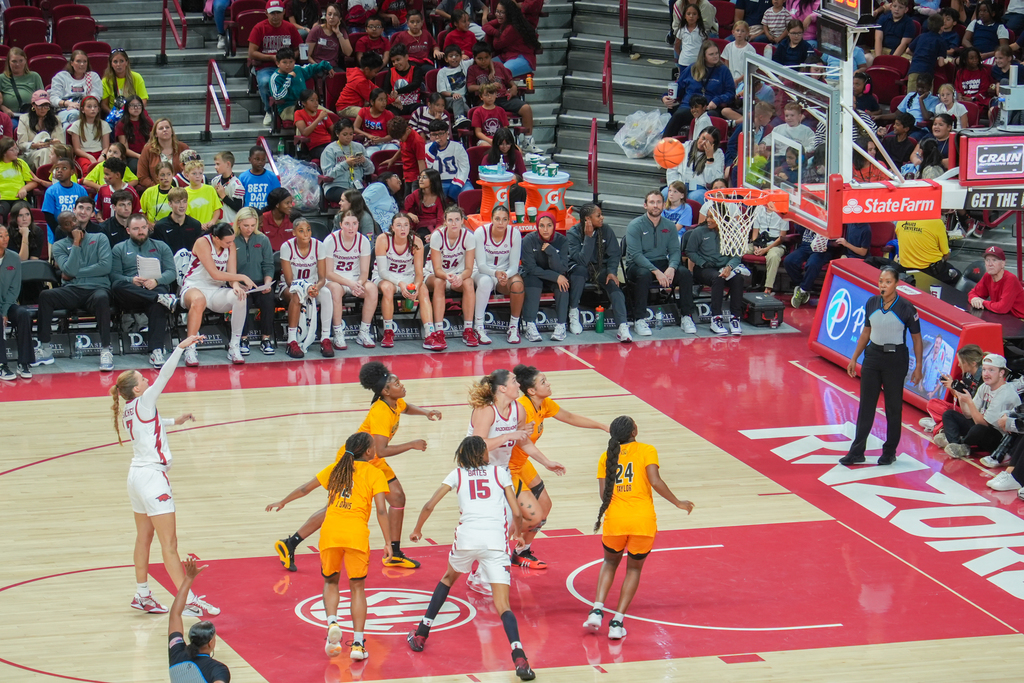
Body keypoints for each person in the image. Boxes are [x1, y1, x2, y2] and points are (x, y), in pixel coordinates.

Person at [273, 360, 441, 572]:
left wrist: (425, 412)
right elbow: (381, 450)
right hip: (354, 459)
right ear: (385, 391)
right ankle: (290, 543)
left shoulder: (394, 402)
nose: (402, 385)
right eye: (397, 383)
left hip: (372, 457)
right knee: (335, 508)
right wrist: (412, 445)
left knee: (397, 497)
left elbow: (406, 408)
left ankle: (395, 553)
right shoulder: (380, 411)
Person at [406, 436, 536, 681]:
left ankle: (421, 633)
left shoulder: (457, 474)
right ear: (481, 454)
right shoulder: (499, 473)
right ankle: (520, 658)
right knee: (503, 606)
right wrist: (518, 534)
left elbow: (428, 505)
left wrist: (417, 529)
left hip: (466, 539)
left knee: (447, 579)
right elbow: (516, 511)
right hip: (495, 542)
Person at [109, 334, 221, 617]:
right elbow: (165, 376)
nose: (147, 380)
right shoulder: (145, 399)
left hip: (135, 476)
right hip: (152, 479)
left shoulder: (129, 410)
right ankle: (188, 599)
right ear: (136, 390)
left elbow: (151, 426)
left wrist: (175, 420)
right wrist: (180, 349)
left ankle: (143, 594)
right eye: (142, 380)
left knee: (143, 538)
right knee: (169, 544)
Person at [266, 432, 392, 660]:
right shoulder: (375, 473)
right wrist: (388, 542)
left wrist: (283, 501)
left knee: (331, 582)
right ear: (369, 451)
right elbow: (382, 510)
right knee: (357, 588)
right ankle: (357, 644)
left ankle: (332, 622)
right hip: (356, 536)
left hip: (331, 534)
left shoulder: (336, 468)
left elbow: (305, 488)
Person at [584, 415, 694, 640]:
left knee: (609, 563)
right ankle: (617, 622)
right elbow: (655, 481)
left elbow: (603, 493)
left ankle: (596, 610)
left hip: (615, 520)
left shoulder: (606, 457)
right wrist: (677, 502)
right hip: (642, 521)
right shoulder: (647, 450)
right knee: (633, 569)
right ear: (634, 432)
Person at [510, 364, 602, 568]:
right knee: (534, 517)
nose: (548, 383)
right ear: (531, 390)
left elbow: (569, 417)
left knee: (545, 507)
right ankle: (491, 543)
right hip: (506, 468)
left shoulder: (543, 403)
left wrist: (603, 426)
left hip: (521, 463)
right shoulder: (522, 409)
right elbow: (521, 442)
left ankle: (520, 552)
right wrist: (547, 462)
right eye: (543, 381)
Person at [839, 266, 925, 466]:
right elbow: (865, 333)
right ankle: (857, 451)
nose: (883, 285)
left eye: (888, 282)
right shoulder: (871, 303)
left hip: (896, 360)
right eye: (881, 281)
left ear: (896, 284)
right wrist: (854, 358)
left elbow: (917, 339)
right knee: (866, 405)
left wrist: (918, 366)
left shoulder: (906, 308)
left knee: (893, 407)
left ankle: (889, 451)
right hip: (873, 356)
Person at [32, 213, 113, 370]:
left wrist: (74, 273)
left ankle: (105, 349)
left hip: (96, 289)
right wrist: (76, 243)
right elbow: (67, 269)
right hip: (72, 291)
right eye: (68, 223)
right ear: (63, 228)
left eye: (74, 220)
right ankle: (46, 348)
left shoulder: (100, 238)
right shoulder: (59, 246)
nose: (74, 224)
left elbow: (105, 267)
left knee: (102, 297)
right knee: (46, 296)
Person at [179, 223, 255, 366]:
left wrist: (237, 286)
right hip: (194, 286)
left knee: (240, 297)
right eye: (228, 241)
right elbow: (214, 273)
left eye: (232, 240)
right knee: (199, 300)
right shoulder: (203, 242)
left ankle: (234, 346)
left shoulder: (230, 245)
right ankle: (190, 348)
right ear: (215, 238)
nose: (231, 244)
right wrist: (242, 277)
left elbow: (231, 275)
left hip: (216, 290)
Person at [624, 191, 697, 336]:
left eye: (658, 202)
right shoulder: (635, 225)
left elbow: (675, 251)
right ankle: (639, 319)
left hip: (662, 262)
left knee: (684, 273)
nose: (655, 205)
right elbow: (636, 255)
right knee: (644, 275)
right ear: (645, 205)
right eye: (652, 202)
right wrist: (656, 271)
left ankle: (686, 316)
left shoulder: (669, 226)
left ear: (664, 205)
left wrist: (671, 267)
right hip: (637, 265)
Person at [110, 214, 177, 367]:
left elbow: (171, 272)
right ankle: (159, 298)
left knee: (157, 304)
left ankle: (156, 351)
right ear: (128, 230)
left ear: (148, 228)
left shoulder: (161, 246)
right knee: (117, 286)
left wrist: (156, 281)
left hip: (154, 285)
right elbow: (114, 275)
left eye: (143, 228)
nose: (140, 231)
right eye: (136, 229)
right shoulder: (119, 248)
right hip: (130, 290)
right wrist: (130, 280)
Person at [565, 203, 631, 342]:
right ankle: (573, 312)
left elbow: (614, 254)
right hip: (580, 268)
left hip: (601, 268)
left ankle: (623, 326)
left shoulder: (606, 230)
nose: (602, 218)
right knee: (579, 272)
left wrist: (612, 271)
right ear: (587, 219)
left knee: (613, 284)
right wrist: (588, 238)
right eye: (598, 215)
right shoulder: (573, 233)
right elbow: (581, 260)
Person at [933, 353, 1020, 459]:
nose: (986, 374)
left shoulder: (1005, 393)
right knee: (949, 415)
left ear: (1001, 373)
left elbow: (983, 423)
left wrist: (969, 401)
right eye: (984, 370)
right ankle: (956, 444)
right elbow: (968, 415)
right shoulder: (984, 386)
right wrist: (961, 397)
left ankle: (961, 443)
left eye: (991, 370)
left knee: (978, 429)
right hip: (982, 426)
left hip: (999, 437)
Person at [375, 212, 435, 348]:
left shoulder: (416, 241)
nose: (403, 229)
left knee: (424, 291)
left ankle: (429, 333)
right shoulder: (383, 239)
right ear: (392, 227)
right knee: (388, 289)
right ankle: (388, 331)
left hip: (408, 276)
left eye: (406, 225)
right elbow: (382, 272)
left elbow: (419, 273)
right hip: (385, 276)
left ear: (410, 227)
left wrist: (417, 285)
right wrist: (401, 284)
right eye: (399, 225)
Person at [466, 42, 539, 153]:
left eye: (486, 57)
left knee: (526, 108)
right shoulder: (472, 69)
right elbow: (470, 87)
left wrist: (514, 88)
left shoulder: (499, 66)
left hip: (504, 98)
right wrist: (486, 87)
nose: (483, 61)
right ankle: (490, 141)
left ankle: (528, 141)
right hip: (486, 100)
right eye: (480, 58)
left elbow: (511, 83)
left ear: (491, 56)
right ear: (474, 58)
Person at [323, 210, 379, 349]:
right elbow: (328, 272)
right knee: (335, 290)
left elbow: (365, 271)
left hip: (355, 279)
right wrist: (350, 284)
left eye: (354, 224)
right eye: (347, 224)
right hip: (335, 279)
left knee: (372, 289)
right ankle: (338, 333)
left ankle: (364, 332)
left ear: (358, 225)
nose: (351, 227)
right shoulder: (331, 240)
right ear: (341, 225)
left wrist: (359, 283)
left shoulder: (363, 241)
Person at [425, 205, 479, 348]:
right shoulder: (437, 236)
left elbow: (469, 268)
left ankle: (468, 329)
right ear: (445, 222)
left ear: (462, 221)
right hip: (436, 274)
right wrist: (447, 276)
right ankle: (439, 330)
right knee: (439, 283)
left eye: (457, 219)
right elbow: (437, 270)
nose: (454, 223)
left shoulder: (469, 236)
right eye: (450, 220)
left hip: (459, 274)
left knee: (468, 283)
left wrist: (460, 277)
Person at [280, 217, 334, 359]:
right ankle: (292, 340)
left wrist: (316, 287)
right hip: (292, 286)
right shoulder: (287, 247)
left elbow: (322, 277)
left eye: (308, 230)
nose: (306, 234)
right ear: (294, 233)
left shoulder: (319, 246)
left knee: (327, 293)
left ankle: (325, 338)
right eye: (301, 231)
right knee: (297, 295)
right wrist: (306, 288)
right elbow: (289, 280)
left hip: (313, 285)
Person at [167, 559, 229, 681]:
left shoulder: (177, 653)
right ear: (211, 643)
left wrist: (189, 578)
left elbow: (175, 615)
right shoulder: (218, 669)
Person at [472, 205, 524, 344]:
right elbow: (481, 265)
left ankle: (513, 327)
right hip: (482, 272)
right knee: (486, 282)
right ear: (491, 219)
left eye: (504, 219)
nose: (501, 223)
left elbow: (514, 265)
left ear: (509, 221)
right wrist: (495, 273)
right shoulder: (480, 232)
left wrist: (505, 275)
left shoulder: (515, 233)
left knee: (518, 285)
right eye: (497, 219)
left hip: (505, 272)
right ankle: (478, 326)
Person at [662, 40, 735, 138]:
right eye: (711, 54)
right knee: (679, 115)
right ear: (704, 56)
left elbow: (730, 93)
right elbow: (677, 87)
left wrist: (717, 100)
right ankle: (664, 145)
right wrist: (665, 97)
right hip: (690, 106)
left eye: (717, 53)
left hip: (709, 107)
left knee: (711, 117)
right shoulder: (692, 68)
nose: (715, 56)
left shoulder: (724, 70)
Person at [248, 0, 304, 127]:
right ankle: (269, 110)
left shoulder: (289, 27)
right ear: (266, 13)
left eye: (278, 12)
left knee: (300, 79)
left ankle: (297, 108)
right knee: (265, 82)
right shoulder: (259, 28)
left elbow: (298, 48)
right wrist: (272, 58)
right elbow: (252, 52)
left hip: (288, 66)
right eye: (272, 13)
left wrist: (289, 60)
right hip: (266, 66)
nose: (275, 16)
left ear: (284, 12)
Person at [233, 207, 276, 356]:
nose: (249, 229)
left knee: (268, 299)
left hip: (259, 282)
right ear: (238, 223)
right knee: (242, 300)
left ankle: (266, 338)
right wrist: (237, 284)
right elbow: (228, 268)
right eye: (246, 226)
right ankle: (243, 339)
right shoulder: (232, 240)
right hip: (239, 283)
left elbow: (268, 265)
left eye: (253, 225)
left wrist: (267, 282)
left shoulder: (263, 239)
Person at [520, 211, 569, 342]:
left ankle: (561, 325)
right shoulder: (528, 240)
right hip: (535, 274)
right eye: (541, 225)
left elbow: (562, 268)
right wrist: (556, 276)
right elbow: (530, 268)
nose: (545, 229)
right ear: (537, 226)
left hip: (553, 274)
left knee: (563, 285)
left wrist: (552, 252)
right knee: (532, 282)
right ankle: (529, 324)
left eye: (549, 225)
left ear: (554, 226)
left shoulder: (562, 241)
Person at [920, 344, 985, 434]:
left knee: (949, 415)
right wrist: (953, 387)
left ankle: (940, 427)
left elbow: (973, 406)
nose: (959, 365)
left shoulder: (983, 379)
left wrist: (956, 389)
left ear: (973, 363)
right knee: (933, 403)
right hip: (963, 409)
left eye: (962, 362)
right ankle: (944, 425)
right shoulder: (967, 374)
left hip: (973, 414)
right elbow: (960, 399)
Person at [0, 225, 33, 381]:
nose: (5, 239)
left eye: (6, 235)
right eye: (1, 236)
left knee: (23, 315)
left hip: (7, 302)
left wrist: (5, 311)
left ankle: (24, 362)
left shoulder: (13, 258)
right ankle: (2, 365)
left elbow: (14, 289)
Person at [269, 47, 335, 122]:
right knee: (305, 118)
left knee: (331, 116)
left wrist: (326, 65)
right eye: (284, 62)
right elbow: (277, 97)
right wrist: (288, 79)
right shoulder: (275, 78)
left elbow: (312, 68)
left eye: (291, 62)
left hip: (306, 104)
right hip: (287, 108)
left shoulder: (297, 69)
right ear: (277, 63)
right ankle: (302, 134)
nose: (288, 65)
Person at [322, 118, 375, 201]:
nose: (348, 137)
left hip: (356, 185)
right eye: (345, 134)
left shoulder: (359, 147)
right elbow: (328, 175)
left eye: (351, 134)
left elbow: (371, 170)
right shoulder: (330, 150)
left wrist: (365, 161)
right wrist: (346, 164)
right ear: (337, 134)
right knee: (353, 198)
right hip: (336, 186)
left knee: (372, 197)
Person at [484, 0, 540, 77]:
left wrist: (496, 33)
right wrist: (496, 32)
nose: (498, 15)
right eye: (497, 11)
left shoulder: (512, 27)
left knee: (499, 73)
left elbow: (497, 44)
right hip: (506, 56)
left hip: (522, 58)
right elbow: (486, 26)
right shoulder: (503, 20)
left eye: (502, 12)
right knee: (482, 69)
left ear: (509, 13)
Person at [50, 50, 102, 126]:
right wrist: (67, 103)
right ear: (71, 63)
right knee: (73, 117)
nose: (82, 64)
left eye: (85, 61)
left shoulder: (93, 77)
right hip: (64, 109)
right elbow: (53, 98)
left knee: (71, 122)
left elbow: (96, 97)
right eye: (78, 61)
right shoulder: (61, 77)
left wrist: (81, 106)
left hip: (86, 110)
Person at [968, 246, 1024, 317]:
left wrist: (982, 302)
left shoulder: (1011, 279)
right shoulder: (987, 276)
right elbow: (973, 293)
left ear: (1003, 264)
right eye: (987, 260)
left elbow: (1002, 308)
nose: (990, 264)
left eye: (994, 260)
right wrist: (974, 299)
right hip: (1005, 317)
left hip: (1020, 320)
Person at [745, 204, 788, 294]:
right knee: (739, 250)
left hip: (775, 244)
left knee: (773, 256)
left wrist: (766, 249)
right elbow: (755, 230)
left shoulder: (783, 210)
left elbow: (782, 237)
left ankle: (768, 288)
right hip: (759, 242)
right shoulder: (759, 208)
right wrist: (756, 246)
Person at [41, 159, 88, 240]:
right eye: (57, 168)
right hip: (58, 231)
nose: (59, 171)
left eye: (64, 168)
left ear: (72, 172)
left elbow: (86, 210)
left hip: (78, 229)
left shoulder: (81, 190)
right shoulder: (51, 191)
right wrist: (60, 232)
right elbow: (49, 216)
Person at [17, 91, 64, 171]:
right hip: (31, 153)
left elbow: (62, 143)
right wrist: (34, 145)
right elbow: (21, 144)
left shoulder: (56, 120)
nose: (43, 109)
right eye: (40, 106)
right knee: (44, 152)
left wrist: (54, 142)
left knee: (48, 152)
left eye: (46, 106)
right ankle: (47, 177)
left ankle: (47, 177)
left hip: (52, 151)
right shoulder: (24, 119)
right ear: (33, 105)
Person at [137, 118, 190, 189]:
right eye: (161, 128)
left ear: (172, 131)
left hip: (180, 190)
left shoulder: (183, 147)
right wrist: (159, 188)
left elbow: (190, 170)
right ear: (155, 134)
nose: (165, 130)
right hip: (156, 190)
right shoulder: (148, 150)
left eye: (167, 127)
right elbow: (142, 176)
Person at [425, 118, 469, 201]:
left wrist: (457, 184)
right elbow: (425, 169)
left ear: (447, 134)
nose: (438, 137)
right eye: (434, 135)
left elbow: (464, 168)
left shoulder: (458, 147)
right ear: (430, 136)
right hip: (437, 183)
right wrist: (431, 152)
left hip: (459, 180)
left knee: (468, 193)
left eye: (441, 134)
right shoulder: (426, 148)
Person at [154, 188, 205, 256]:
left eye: (184, 201)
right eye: (177, 202)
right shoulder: (160, 226)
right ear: (170, 204)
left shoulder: (195, 225)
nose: (182, 206)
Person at [101, 49, 148, 117]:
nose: (118, 65)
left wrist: (135, 112)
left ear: (127, 62)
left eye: (122, 61)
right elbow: (104, 104)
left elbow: (143, 100)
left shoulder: (137, 77)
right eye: (115, 62)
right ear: (111, 64)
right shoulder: (106, 81)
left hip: (134, 114)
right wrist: (113, 114)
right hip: (115, 115)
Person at [335, 53, 385, 118]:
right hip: (345, 108)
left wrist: (390, 98)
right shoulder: (360, 81)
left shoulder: (363, 76)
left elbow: (376, 90)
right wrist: (389, 100)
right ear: (367, 69)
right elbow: (373, 98)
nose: (376, 75)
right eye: (375, 72)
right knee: (372, 113)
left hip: (357, 105)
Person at [305, 2, 354, 68]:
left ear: (340, 19)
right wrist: (319, 66)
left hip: (333, 67)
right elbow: (307, 55)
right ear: (326, 16)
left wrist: (338, 33)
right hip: (316, 66)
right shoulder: (316, 30)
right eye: (329, 14)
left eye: (335, 15)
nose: (332, 17)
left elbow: (348, 52)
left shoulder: (341, 31)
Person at [0, 48, 44, 119]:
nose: (18, 64)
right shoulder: (1, 78)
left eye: (21, 61)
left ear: (25, 61)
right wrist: (3, 108)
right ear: (8, 62)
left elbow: (43, 97)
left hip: (31, 116)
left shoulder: (34, 76)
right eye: (14, 61)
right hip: (10, 116)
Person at [115, 97, 153, 173]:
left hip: (148, 153)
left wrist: (146, 153)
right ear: (127, 107)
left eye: (139, 105)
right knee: (135, 166)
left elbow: (153, 140)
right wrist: (140, 156)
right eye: (132, 105)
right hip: (132, 156)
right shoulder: (121, 124)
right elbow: (124, 149)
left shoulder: (148, 121)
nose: (136, 108)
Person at [354, 87, 396, 156]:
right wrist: (368, 135)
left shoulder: (389, 114)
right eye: (381, 100)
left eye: (385, 100)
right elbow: (355, 128)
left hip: (386, 142)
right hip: (371, 144)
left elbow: (393, 135)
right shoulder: (363, 111)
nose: (384, 103)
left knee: (391, 152)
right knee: (369, 155)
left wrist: (382, 139)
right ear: (372, 102)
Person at [404, 168, 447, 234]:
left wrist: (434, 234)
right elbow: (403, 210)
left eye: (424, 177)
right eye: (420, 177)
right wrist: (409, 214)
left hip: (437, 228)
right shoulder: (416, 194)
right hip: (421, 226)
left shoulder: (439, 198)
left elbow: (440, 221)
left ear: (432, 180)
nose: (420, 180)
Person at [239, 145, 281, 211]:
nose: (260, 162)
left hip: (267, 213)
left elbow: (278, 196)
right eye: (257, 159)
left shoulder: (271, 176)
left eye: (263, 159)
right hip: (249, 214)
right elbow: (240, 199)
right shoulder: (243, 177)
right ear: (250, 160)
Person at [437, 44, 471, 124]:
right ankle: (458, 118)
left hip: (462, 100)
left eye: (457, 55)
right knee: (458, 99)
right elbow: (442, 91)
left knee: (470, 113)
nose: (454, 58)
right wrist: (453, 94)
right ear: (446, 59)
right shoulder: (442, 72)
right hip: (448, 99)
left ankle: (464, 130)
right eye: (451, 56)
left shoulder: (464, 65)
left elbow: (478, 58)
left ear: (460, 57)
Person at [211, 151, 244, 225]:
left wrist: (223, 196)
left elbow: (239, 208)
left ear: (228, 164)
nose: (215, 167)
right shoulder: (215, 180)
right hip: (217, 222)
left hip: (230, 223)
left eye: (218, 164)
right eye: (215, 164)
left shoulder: (237, 185)